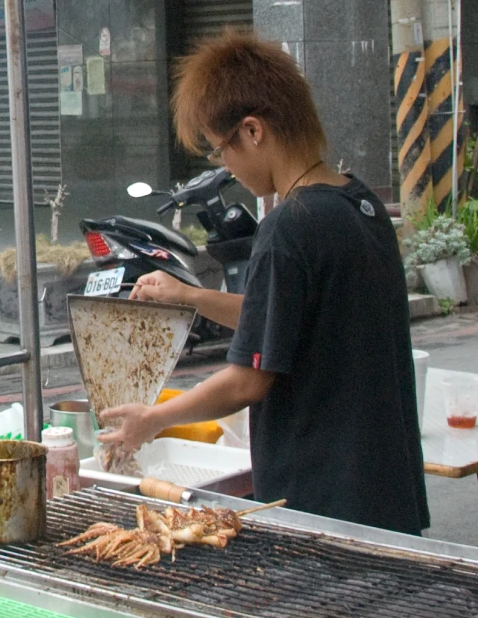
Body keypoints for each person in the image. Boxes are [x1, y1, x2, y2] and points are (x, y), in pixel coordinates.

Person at [98, 35, 430, 534]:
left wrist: (152, 420)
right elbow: (285, 317)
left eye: (218, 150)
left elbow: (248, 379)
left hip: (323, 503)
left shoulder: (289, 225)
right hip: (384, 490)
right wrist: (188, 296)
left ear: (252, 130)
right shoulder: (360, 205)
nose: (225, 167)